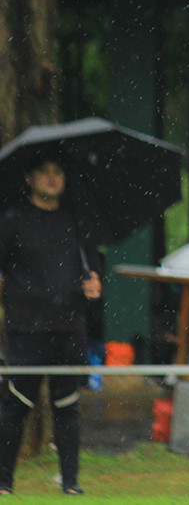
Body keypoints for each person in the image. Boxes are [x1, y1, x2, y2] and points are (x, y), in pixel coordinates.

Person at [0, 156, 102, 496]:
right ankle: (3, 482)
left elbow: (93, 264)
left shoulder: (76, 219)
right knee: (16, 405)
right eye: (43, 171)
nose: (51, 178)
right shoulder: (13, 220)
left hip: (70, 326)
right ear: (30, 178)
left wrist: (94, 284)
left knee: (68, 406)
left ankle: (70, 483)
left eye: (58, 171)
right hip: (26, 328)